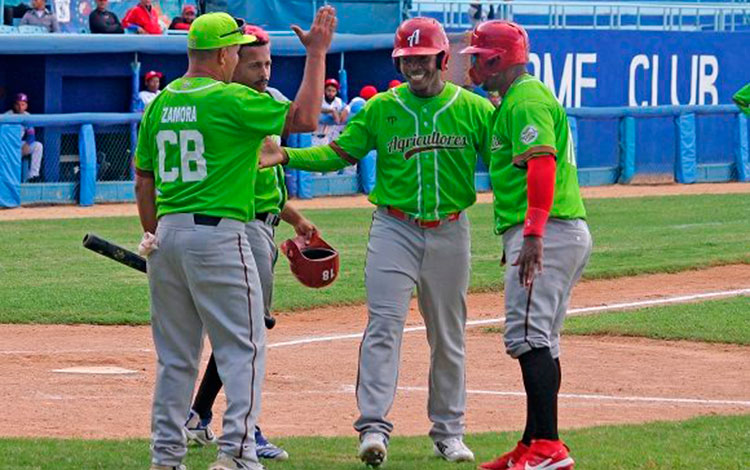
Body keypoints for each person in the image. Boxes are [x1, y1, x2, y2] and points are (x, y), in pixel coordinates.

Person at [260, 16, 494, 467]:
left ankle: (449, 432)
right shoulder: (382, 108)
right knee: (383, 326)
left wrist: (521, 217)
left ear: (442, 59)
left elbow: (502, 165)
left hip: (450, 230)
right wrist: (288, 153)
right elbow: (338, 153)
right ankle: (372, 427)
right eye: (406, 59)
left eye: (422, 58)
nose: (414, 67)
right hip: (394, 228)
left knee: (447, 335)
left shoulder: (474, 110)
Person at [133, 8, 335, 470]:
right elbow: (304, 118)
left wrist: (150, 232)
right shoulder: (228, 99)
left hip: (168, 234)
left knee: (176, 358)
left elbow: (144, 180)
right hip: (219, 236)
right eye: (237, 49)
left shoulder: (162, 102)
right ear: (225, 54)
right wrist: (318, 53)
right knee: (243, 348)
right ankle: (238, 453)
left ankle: (166, 457)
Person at [183, 23, 318, 462]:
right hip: (241, 227)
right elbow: (305, 122)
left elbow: (269, 177)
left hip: (264, 222)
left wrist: (293, 218)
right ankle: (242, 430)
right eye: (255, 63)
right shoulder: (233, 107)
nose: (264, 72)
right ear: (229, 61)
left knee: (239, 331)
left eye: (269, 63)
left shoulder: (267, 101)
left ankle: (199, 416)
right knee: (247, 334)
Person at [460, 20, 591, 470]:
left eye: (477, 56)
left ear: (496, 60)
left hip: (548, 230)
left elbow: (541, 165)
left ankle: (548, 447)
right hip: (548, 230)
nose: (472, 63)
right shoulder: (513, 100)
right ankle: (532, 442)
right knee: (541, 339)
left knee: (527, 337)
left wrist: (532, 233)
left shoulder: (527, 99)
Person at [5, 93, 44, 183]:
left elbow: (31, 134)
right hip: (7, 145)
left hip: (20, 144)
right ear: (14, 105)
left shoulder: (27, 116)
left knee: (38, 146)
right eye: (18, 104)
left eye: (23, 104)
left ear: (26, 105)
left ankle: (33, 176)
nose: (20, 107)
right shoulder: (7, 116)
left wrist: (27, 144)